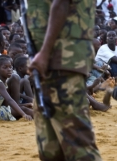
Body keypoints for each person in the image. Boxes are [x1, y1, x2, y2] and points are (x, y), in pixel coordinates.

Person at [28, 0, 102, 160]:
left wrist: (45, 53)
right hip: (49, 63)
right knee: (50, 150)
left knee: (79, 148)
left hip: (61, 58)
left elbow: (61, 2)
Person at [0, 56, 33, 122]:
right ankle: (45, 117)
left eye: (10, 67)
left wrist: (25, 105)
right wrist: (24, 114)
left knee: (23, 108)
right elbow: (10, 100)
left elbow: (6, 104)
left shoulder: (4, 83)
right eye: (5, 67)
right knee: (24, 110)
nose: (9, 69)